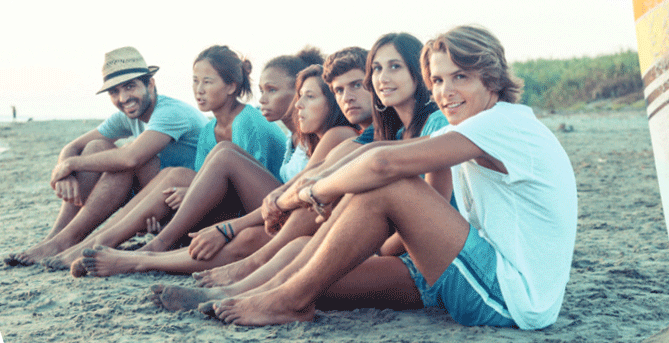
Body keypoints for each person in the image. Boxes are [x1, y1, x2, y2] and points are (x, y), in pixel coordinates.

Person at [181, 25, 577, 329]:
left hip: (512, 299)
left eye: (461, 77)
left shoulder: (502, 124)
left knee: (390, 183)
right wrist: (302, 200)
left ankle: (290, 299)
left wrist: (307, 194)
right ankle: (263, 290)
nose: (445, 92)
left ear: (491, 77)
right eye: (438, 80)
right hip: (478, 272)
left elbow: (384, 167)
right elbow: (377, 154)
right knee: (328, 260)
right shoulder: (474, 127)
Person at [185, 35, 449, 290]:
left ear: (418, 71)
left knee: (297, 261)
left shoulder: (434, 125)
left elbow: (430, 211)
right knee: (298, 247)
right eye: (377, 69)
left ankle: (244, 280)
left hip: (427, 263)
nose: (383, 78)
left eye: (394, 67)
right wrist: (284, 198)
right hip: (392, 247)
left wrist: (377, 247)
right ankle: (238, 285)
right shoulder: (393, 131)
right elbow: (326, 170)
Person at [77, 62, 364, 277]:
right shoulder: (302, 138)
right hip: (273, 211)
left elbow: (294, 192)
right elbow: (210, 179)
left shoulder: (336, 135)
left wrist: (228, 227)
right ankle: (132, 248)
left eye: (309, 97)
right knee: (194, 174)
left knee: (226, 162)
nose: (298, 105)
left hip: (283, 216)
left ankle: (146, 254)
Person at [40, 45, 290, 270]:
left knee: (180, 173)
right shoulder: (208, 130)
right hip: (220, 209)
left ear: (231, 86)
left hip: (261, 213)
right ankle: (91, 242)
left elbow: (257, 194)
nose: (198, 90)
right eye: (195, 81)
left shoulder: (248, 121)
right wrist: (191, 192)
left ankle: (137, 245)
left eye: (207, 82)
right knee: (165, 173)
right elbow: (208, 180)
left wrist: (190, 191)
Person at [5, 47, 208, 266]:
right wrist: (64, 171)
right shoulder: (130, 114)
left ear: (150, 83)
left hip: (193, 200)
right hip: (162, 197)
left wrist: (71, 164)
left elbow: (131, 158)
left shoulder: (170, 112)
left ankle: (71, 239)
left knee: (128, 159)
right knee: (96, 146)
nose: (123, 98)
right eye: (114, 92)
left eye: (130, 86)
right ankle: (57, 237)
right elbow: (74, 146)